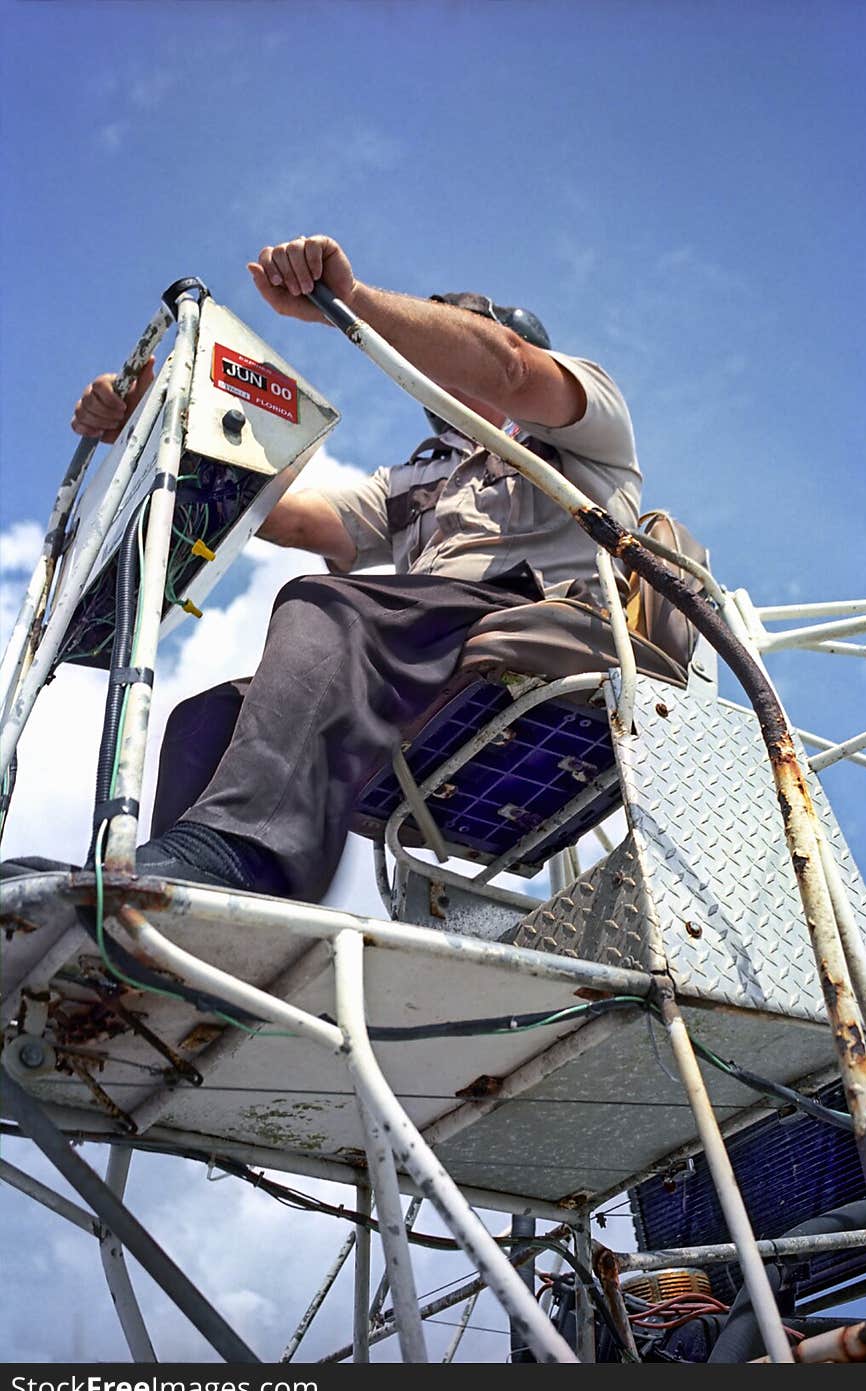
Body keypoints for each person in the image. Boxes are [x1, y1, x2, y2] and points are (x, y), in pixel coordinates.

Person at [71, 234, 642, 902]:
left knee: (330, 606)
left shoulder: (588, 425)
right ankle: (174, 899)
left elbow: (509, 370)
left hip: (537, 622)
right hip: (423, 647)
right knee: (211, 716)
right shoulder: (422, 480)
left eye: (448, 337)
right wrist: (148, 414)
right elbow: (287, 516)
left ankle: (251, 857)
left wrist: (353, 303)